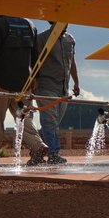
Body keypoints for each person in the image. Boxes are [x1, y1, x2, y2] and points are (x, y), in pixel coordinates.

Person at [0, 15, 46, 169]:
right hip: (23, 83)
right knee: (24, 119)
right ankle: (38, 145)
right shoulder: (29, 25)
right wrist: (35, 77)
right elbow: (35, 55)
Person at [32, 22, 79, 164]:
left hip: (63, 88)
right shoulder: (41, 39)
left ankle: (37, 150)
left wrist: (76, 82)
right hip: (46, 86)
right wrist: (34, 80)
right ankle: (53, 154)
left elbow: (72, 63)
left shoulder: (70, 39)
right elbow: (33, 61)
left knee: (52, 123)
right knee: (49, 122)